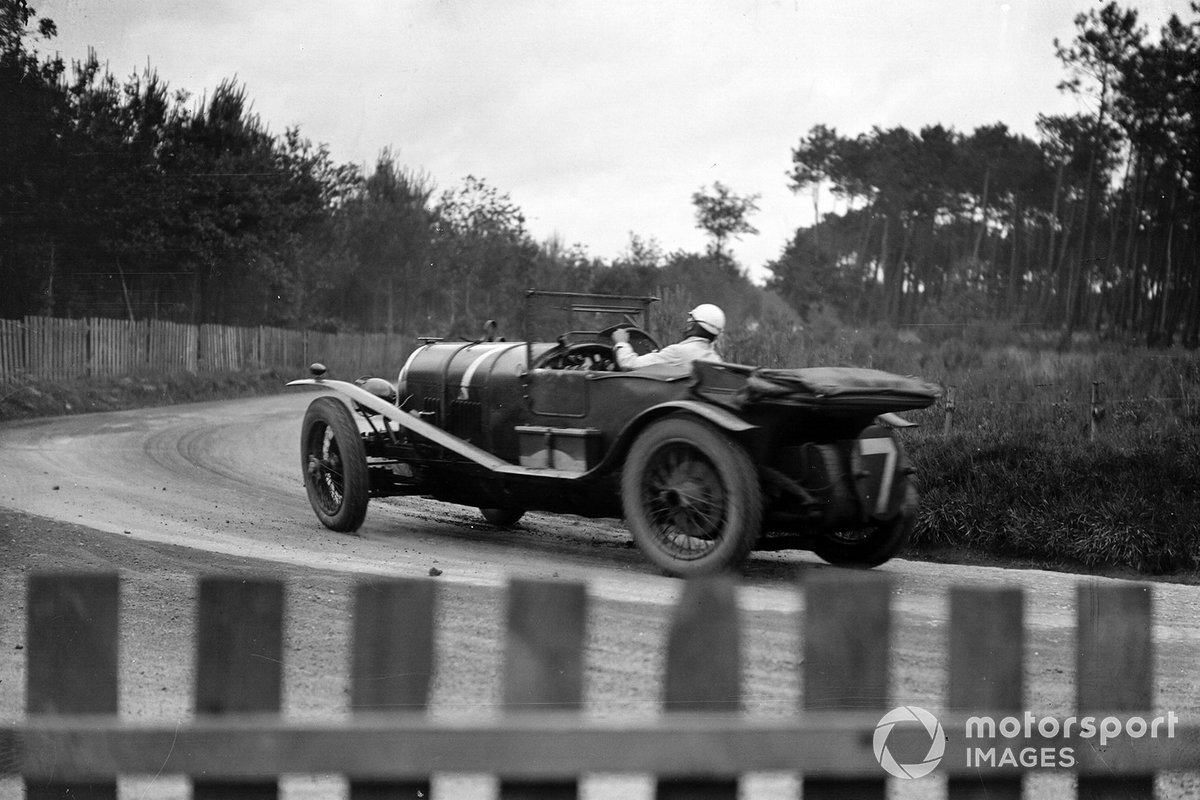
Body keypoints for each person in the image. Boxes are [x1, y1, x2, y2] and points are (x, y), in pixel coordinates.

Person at [611, 303, 725, 369]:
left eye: (691, 320)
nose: (687, 323)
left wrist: (622, 343)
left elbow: (629, 364)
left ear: (692, 326)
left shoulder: (678, 352)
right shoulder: (716, 360)